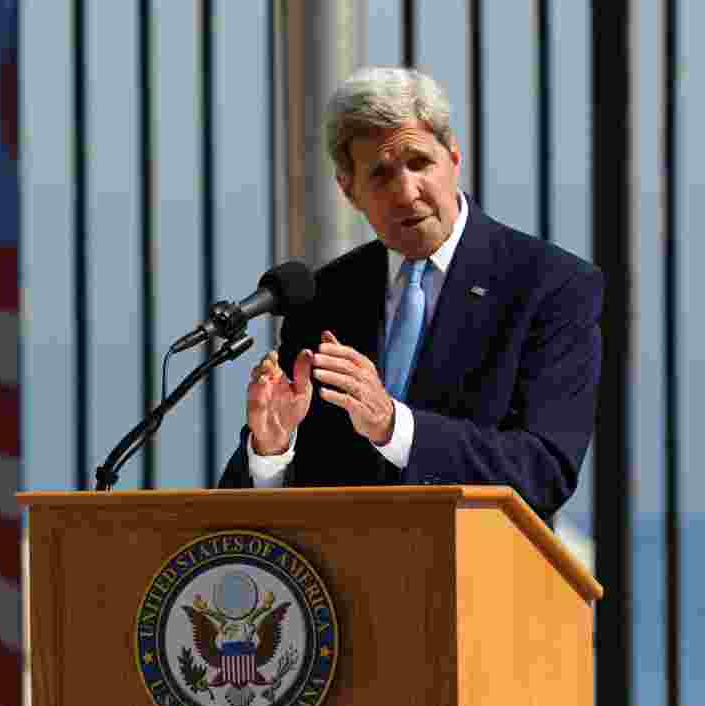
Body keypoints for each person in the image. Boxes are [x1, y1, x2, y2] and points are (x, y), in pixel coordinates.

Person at [218, 66, 603, 521]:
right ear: (349, 190)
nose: (406, 191)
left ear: (454, 157)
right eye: (380, 175)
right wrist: (271, 452)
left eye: (420, 163)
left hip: (480, 579)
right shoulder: (325, 296)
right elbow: (260, 500)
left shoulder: (549, 284)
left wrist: (394, 426)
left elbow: (544, 469)